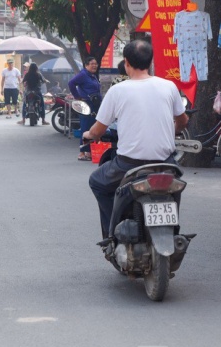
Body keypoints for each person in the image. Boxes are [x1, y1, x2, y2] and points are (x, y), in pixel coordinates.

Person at [85, 40, 188, 239]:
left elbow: (98, 130)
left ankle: (111, 234)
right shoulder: (169, 86)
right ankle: (174, 231)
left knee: (97, 181)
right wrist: (172, 131)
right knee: (175, 187)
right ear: (150, 62)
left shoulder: (117, 91)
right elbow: (183, 121)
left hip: (128, 165)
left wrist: (89, 135)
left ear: (126, 63)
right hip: (164, 163)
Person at [68, 56, 102, 161]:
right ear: (86, 65)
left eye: (95, 63)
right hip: (86, 105)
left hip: (94, 104)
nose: (94, 65)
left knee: (92, 127)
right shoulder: (83, 74)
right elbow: (71, 83)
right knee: (86, 127)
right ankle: (82, 153)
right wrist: (77, 97)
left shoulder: (92, 75)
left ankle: (89, 152)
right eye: (92, 64)